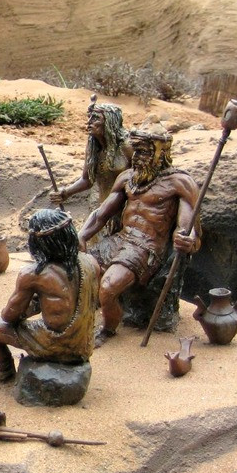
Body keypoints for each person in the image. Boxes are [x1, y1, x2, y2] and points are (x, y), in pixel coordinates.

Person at [78, 129, 200, 345]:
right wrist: (82, 236)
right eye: (136, 152)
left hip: (146, 248)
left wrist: (186, 238)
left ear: (160, 154)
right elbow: (101, 214)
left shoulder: (179, 182)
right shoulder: (127, 177)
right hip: (120, 240)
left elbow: (188, 226)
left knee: (107, 287)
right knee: (79, 268)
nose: (137, 158)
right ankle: (81, 316)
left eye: (144, 152)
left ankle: (108, 329)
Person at [0, 209, 100, 383]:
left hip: (57, 344)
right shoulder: (91, 262)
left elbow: (9, 316)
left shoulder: (33, 274)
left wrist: (27, 306)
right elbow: (73, 301)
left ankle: (3, 372)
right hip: (84, 343)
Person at [50, 102, 132, 208]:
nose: (89, 122)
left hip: (127, 210)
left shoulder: (128, 146)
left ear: (110, 121)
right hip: (104, 209)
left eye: (95, 118)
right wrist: (66, 193)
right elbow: (87, 180)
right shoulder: (93, 146)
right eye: (89, 117)